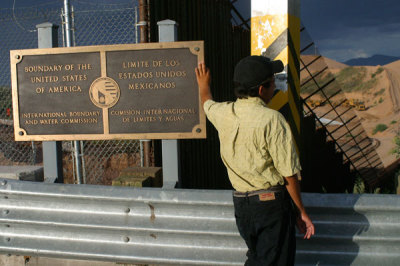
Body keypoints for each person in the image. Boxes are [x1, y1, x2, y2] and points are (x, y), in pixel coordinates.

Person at [195, 56, 315, 265]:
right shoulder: (272, 120)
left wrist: (203, 84)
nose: (275, 85)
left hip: (242, 206)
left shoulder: (223, 113)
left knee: (258, 258)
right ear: (262, 89)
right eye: (272, 81)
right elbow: (289, 174)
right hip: (271, 206)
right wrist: (301, 211)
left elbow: (207, 102)